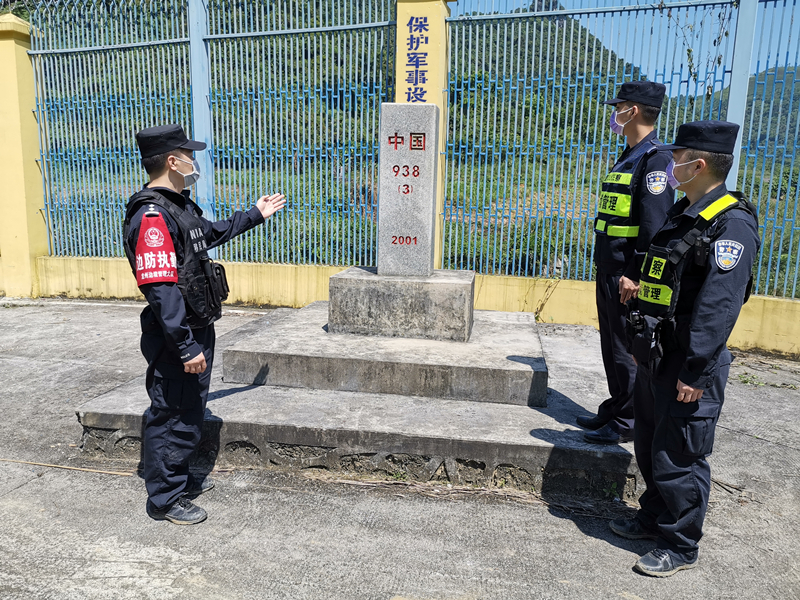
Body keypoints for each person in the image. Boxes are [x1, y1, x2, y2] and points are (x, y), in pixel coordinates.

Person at [611, 120, 760, 577]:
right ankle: (653, 516)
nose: (669, 164)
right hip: (658, 349)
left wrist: (696, 372)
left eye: (677, 159)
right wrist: (638, 283)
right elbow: (666, 269)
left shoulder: (731, 225)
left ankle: (680, 543)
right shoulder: (685, 211)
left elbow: (718, 308)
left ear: (698, 165)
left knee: (679, 453)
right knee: (653, 442)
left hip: (689, 360)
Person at [122, 124, 286, 525]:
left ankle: (178, 481)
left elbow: (207, 235)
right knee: (172, 412)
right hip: (177, 332)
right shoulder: (152, 216)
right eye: (188, 154)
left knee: (189, 407)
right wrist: (184, 345)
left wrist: (254, 214)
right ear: (172, 161)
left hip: (196, 326)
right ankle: (164, 499)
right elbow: (161, 288)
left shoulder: (179, 207)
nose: (195, 162)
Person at [580, 81, 675, 445]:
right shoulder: (629, 154)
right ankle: (616, 406)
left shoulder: (655, 160)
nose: (613, 113)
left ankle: (627, 421)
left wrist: (635, 274)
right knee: (611, 344)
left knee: (626, 348)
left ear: (632, 110)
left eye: (617, 107)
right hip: (608, 266)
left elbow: (655, 226)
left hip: (626, 273)